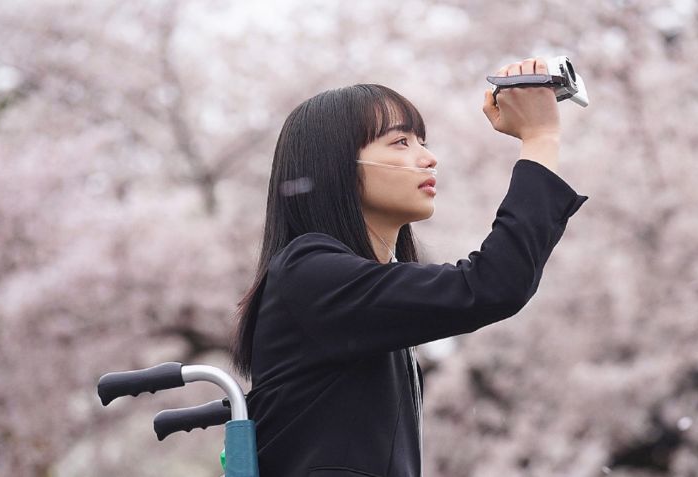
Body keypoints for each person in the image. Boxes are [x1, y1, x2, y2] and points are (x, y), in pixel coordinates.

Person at [230, 57, 589, 477]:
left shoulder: (347, 288)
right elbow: (493, 284)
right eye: (401, 143)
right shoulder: (309, 273)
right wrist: (541, 137)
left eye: (422, 141)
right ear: (336, 166)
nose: (429, 158)